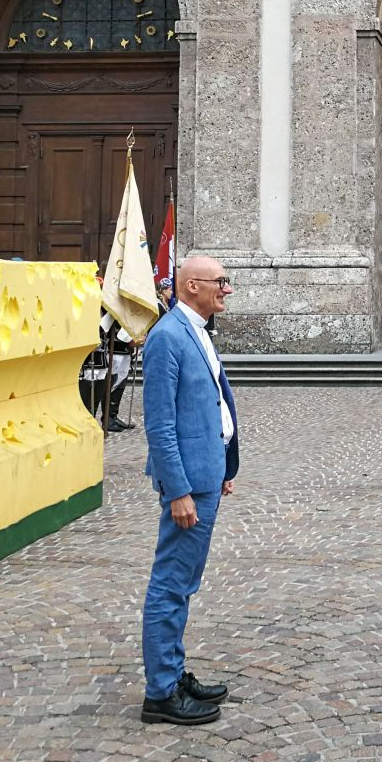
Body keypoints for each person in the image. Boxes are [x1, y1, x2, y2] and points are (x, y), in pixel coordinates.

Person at [139, 256, 241, 726]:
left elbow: (207, 406)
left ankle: (174, 673)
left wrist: (221, 465)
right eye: (221, 282)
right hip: (186, 487)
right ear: (193, 285)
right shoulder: (167, 338)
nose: (227, 289)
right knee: (171, 585)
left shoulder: (197, 330)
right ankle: (160, 692)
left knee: (184, 584)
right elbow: (159, 426)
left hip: (205, 476)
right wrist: (178, 490)